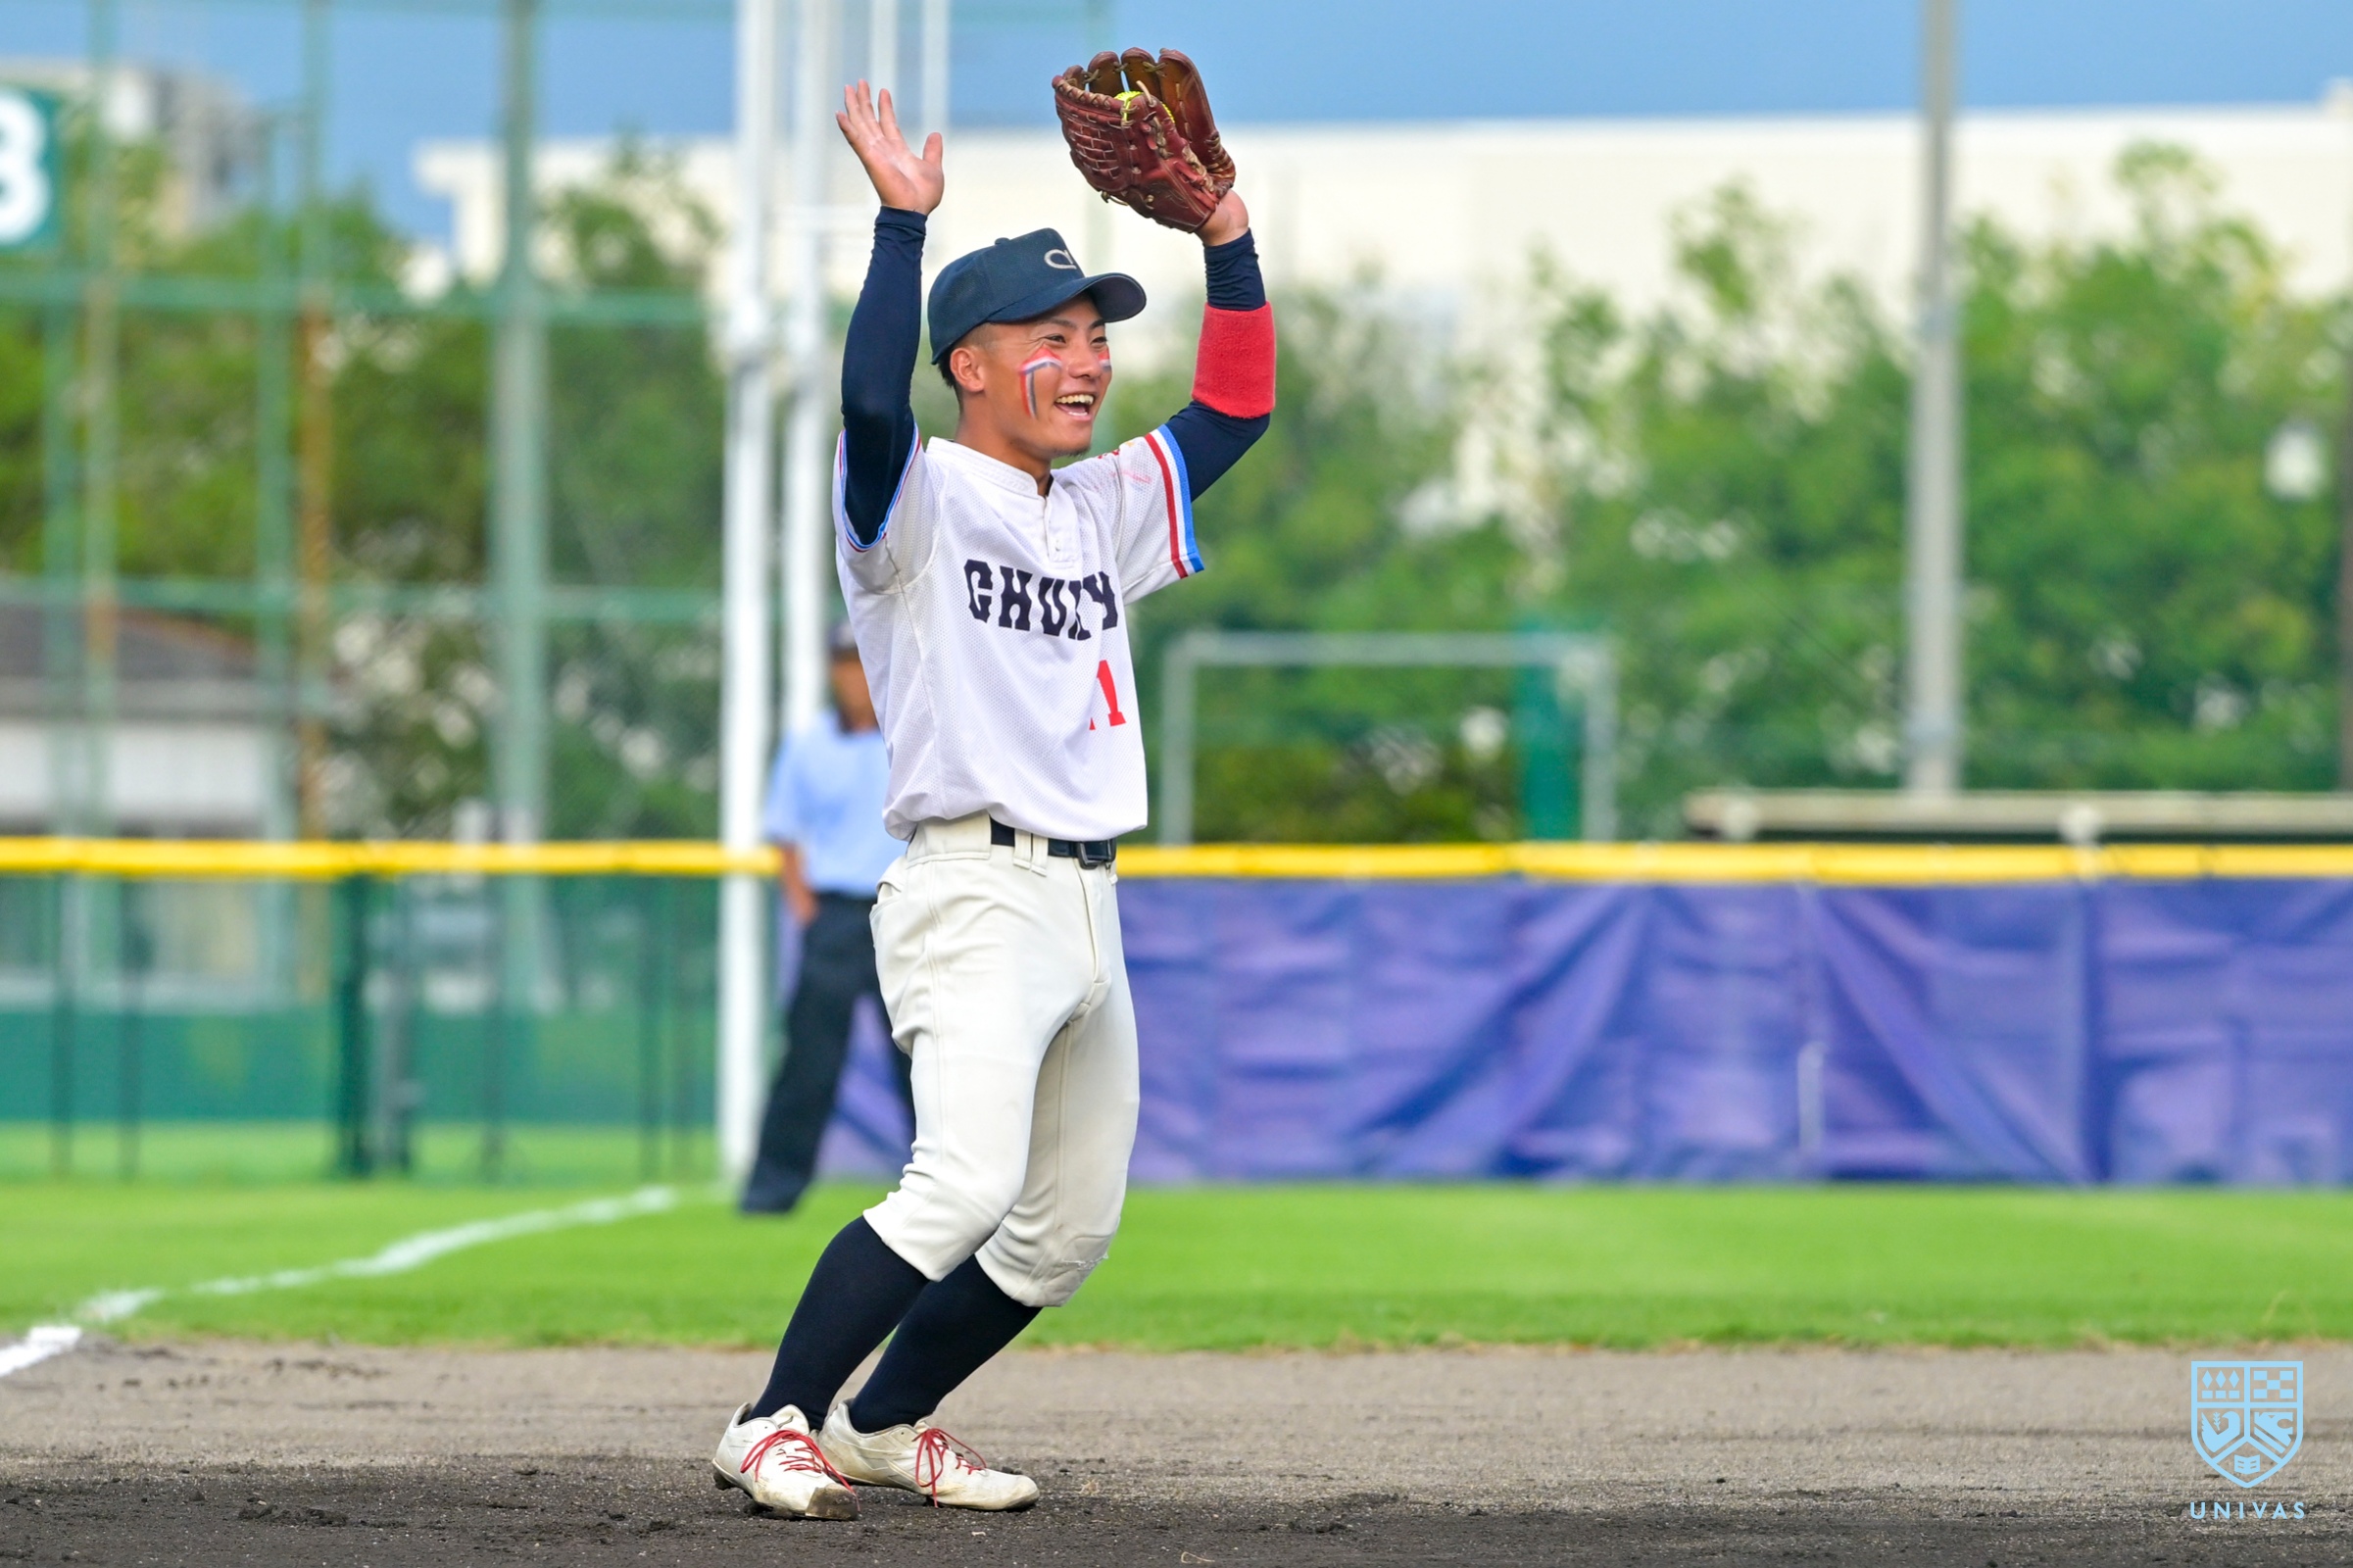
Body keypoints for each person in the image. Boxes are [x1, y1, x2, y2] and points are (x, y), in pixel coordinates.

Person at [709, 74, 1273, 1518]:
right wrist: (902, 229)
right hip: (969, 887)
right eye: (1051, 338)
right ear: (969, 363)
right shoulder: (912, 505)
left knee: (1065, 1229)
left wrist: (1227, 237)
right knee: (960, 1184)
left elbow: (1235, 407)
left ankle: (884, 1421)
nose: (1087, 362)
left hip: (1088, 901)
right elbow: (866, 402)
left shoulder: (1102, 507)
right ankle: (769, 1419)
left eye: (1096, 337)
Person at [739, 622, 913, 1216]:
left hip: (906, 911)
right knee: (808, 1061)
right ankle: (771, 1190)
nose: (854, 677)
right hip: (836, 914)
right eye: (844, 665)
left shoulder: (911, 734)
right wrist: (807, 912)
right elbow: (784, 834)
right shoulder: (809, 744)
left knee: (925, 1062)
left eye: (861, 662)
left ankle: (951, 1191)